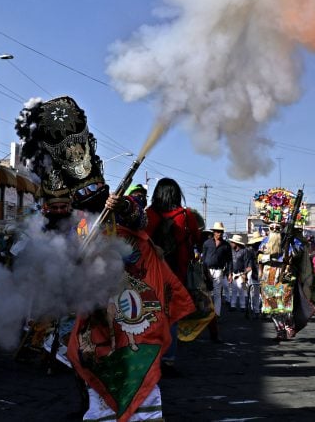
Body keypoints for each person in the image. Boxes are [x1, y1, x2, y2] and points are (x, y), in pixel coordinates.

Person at [16, 95, 195, 421]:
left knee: (135, 352)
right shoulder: (78, 224)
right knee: (90, 355)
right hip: (92, 300)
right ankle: (100, 409)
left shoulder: (121, 210)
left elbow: (140, 222)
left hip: (129, 296)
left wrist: (123, 206)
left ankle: (142, 413)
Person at [145, 177, 202, 376]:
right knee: (172, 316)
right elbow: (196, 238)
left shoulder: (149, 214)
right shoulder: (186, 215)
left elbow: (142, 240)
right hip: (177, 273)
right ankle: (168, 359)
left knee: (151, 315)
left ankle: (151, 357)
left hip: (152, 273)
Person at [254, 188, 315, 341]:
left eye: (277, 227)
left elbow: (299, 252)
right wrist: (262, 267)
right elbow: (259, 257)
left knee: (286, 305)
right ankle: (279, 330)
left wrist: (289, 256)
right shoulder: (265, 241)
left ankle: (289, 324)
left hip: (285, 276)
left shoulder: (291, 240)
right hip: (268, 277)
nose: (274, 229)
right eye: (272, 227)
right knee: (271, 307)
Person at [201, 221, 232, 317]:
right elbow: (203, 258)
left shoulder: (226, 245)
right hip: (207, 270)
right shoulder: (207, 243)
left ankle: (217, 314)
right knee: (206, 292)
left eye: (221, 232)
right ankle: (207, 313)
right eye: (217, 231)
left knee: (217, 293)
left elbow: (229, 260)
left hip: (219, 270)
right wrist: (202, 270)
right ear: (214, 232)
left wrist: (230, 273)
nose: (219, 233)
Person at [228, 234, 253, 313]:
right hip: (234, 273)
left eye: (232, 242)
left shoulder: (244, 251)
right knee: (234, 289)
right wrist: (230, 273)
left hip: (241, 273)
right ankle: (233, 305)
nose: (231, 243)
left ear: (236, 243)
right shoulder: (231, 252)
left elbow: (246, 262)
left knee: (241, 290)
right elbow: (230, 263)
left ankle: (242, 305)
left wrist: (245, 273)